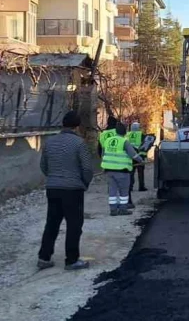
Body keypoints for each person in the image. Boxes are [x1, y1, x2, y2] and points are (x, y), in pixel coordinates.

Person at [38, 111, 94, 271]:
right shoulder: (79, 143)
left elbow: (43, 165)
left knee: (52, 223)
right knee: (74, 225)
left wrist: (54, 177)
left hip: (53, 188)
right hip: (72, 189)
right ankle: (71, 260)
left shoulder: (50, 142)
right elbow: (87, 168)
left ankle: (44, 257)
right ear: (77, 127)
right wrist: (84, 182)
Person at [102, 122, 145, 216]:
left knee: (112, 191)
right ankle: (123, 209)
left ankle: (113, 210)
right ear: (125, 132)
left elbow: (103, 154)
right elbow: (133, 154)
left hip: (109, 170)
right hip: (122, 171)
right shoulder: (124, 141)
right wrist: (140, 160)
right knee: (124, 191)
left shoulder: (108, 140)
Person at [125, 122, 147, 193]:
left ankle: (130, 187)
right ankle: (141, 187)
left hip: (130, 156)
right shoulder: (141, 135)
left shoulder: (127, 135)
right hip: (140, 156)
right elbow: (145, 144)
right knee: (140, 172)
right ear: (138, 128)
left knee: (131, 172)